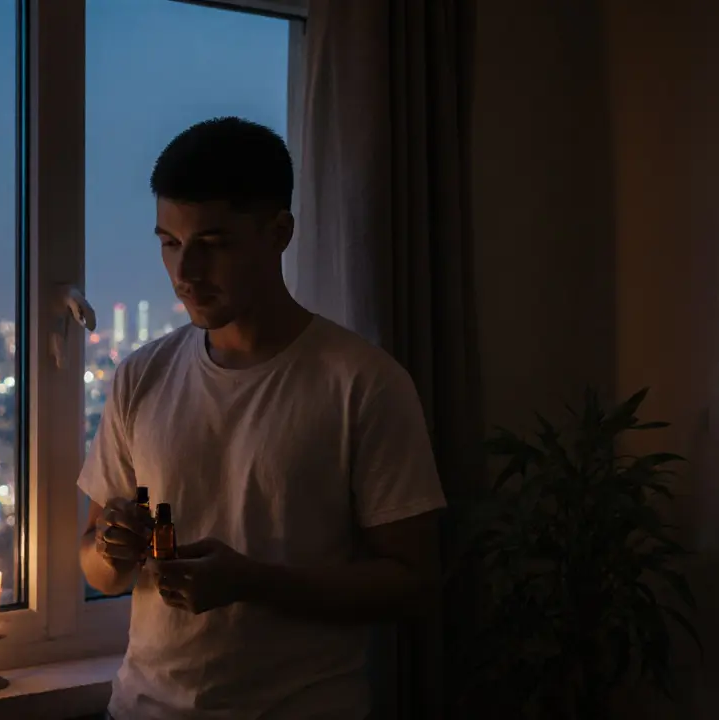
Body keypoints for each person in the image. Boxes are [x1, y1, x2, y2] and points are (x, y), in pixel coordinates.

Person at [78, 116, 446, 720]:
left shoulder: (363, 383)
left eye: (212, 244)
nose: (184, 272)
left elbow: (413, 582)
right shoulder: (141, 377)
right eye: (169, 242)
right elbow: (98, 562)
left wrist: (254, 582)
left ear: (279, 233)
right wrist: (114, 549)